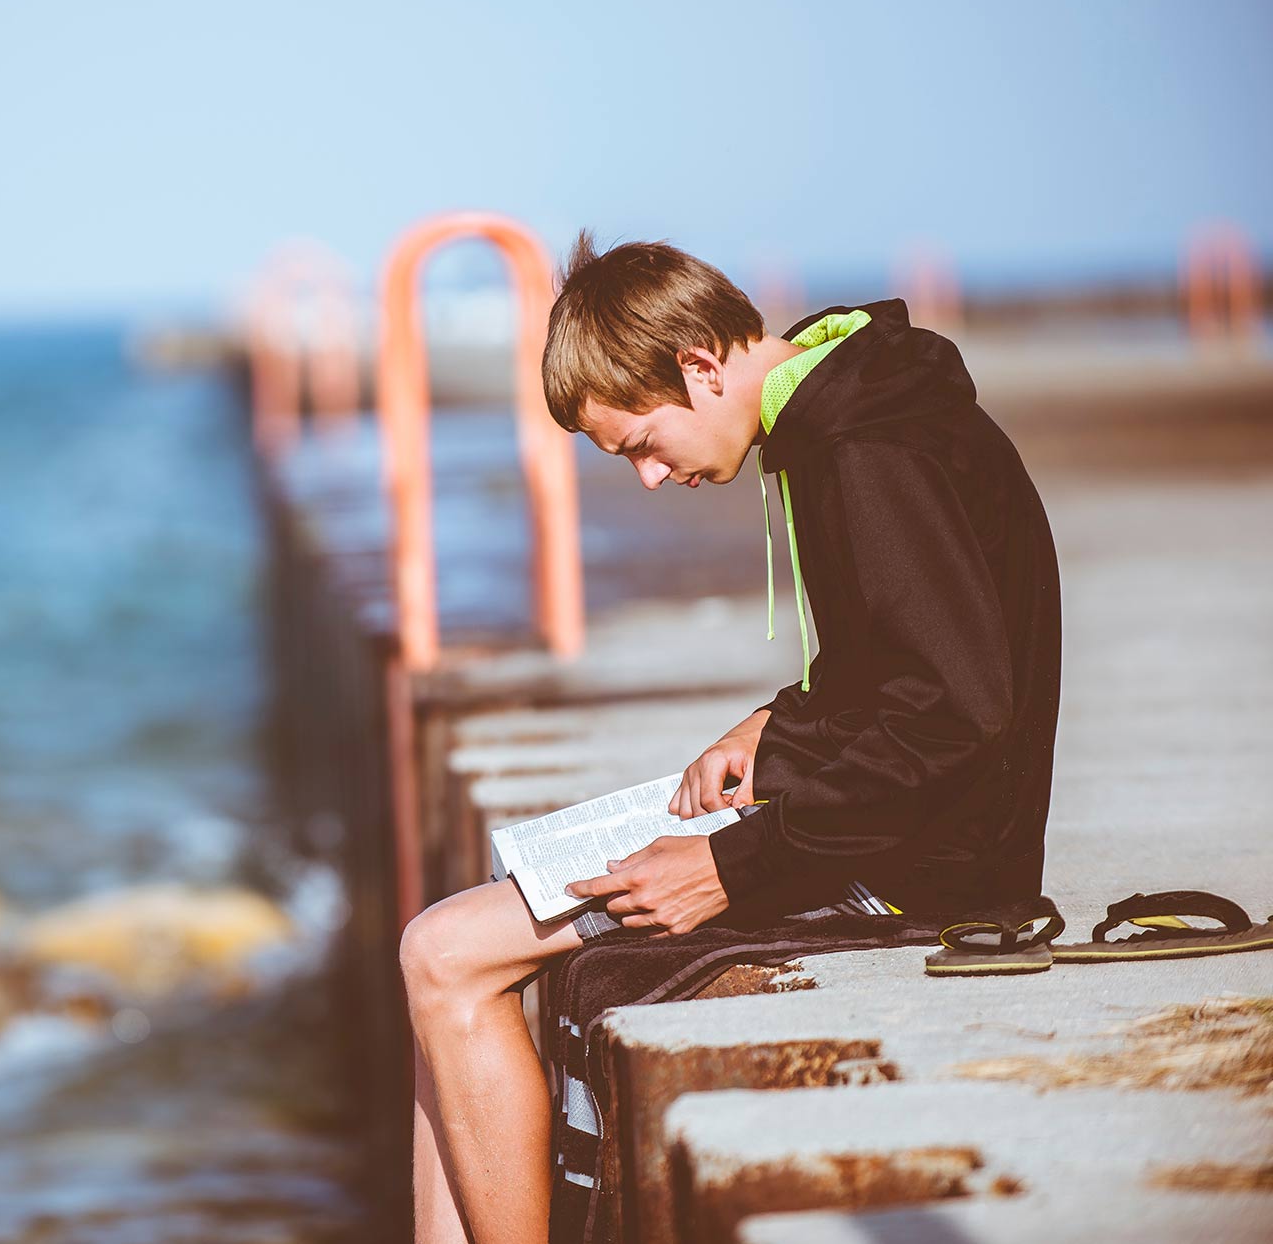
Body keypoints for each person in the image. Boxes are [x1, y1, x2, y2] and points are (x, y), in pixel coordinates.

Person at [398, 235, 1061, 1244]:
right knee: (438, 958)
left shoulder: (866, 452)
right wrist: (776, 723)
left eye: (637, 444)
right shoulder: (845, 418)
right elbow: (899, 667)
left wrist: (727, 865)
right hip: (887, 830)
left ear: (698, 366)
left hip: (925, 873)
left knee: (445, 955)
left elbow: (957, 715)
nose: (650, 479)